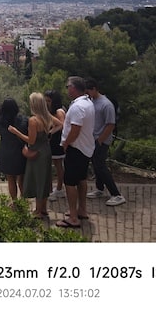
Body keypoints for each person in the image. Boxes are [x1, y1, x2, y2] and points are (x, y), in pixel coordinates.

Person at [57, 76, 95, 228]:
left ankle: (73, 217)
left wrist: (66, 143)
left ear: (73, 88)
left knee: (70, 182)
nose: (66, 89)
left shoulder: (78, 107)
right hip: (85, 148)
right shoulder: (87, 103)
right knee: (81, 179)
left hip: (76, 148)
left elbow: (75, 129)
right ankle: (82, 210)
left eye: (68, 87)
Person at [9, 92, 53, 217]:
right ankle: (43, 208)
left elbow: (31, 140)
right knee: (44, 180)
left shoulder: (33, 120)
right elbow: (60, 124)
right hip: (46, 150)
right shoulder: (47, 117)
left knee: (38, 180)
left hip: (37, 153)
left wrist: (16, 132)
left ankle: (38, 211)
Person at [83, 78, 126, 206]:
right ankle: (99, 188)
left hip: (101, 140)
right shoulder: (92, 101)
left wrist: (100, 140)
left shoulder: (106, 104)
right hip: (93, 139)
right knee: (96, 165)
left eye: (88, 91)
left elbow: (110, 124)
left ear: (94, 89)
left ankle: (116, 194)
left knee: (101, 166)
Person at [0, 98, 27, 200]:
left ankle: (15, 202)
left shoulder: (0, 122)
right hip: (20, 153)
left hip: (6, 153)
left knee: (11, 180)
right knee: (22, 179)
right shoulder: (23, 120)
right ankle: (23, 201)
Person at [45, 89, 66, 201]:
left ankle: (59, 189)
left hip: (57, 141)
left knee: (58, 166)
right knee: (53, 165)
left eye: (49, 101)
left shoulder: (59, 111)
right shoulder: (52, 111)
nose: (47, 103)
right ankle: (52, 189)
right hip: (52, 141)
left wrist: (50, 132)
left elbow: (62, 125)